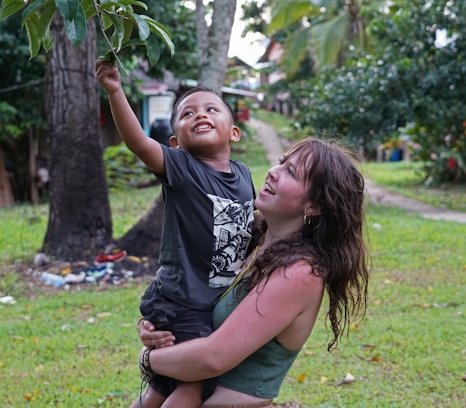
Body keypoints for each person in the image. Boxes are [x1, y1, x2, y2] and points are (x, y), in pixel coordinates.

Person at [137, 137, 370, 407]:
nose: (273, 171)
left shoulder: (300, 274)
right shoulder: (252, 242)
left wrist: (148, 359)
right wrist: (158, 328)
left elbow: (215, 356)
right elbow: (193, 296)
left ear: (314, 207)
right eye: (282, 163)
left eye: (291, 172)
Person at [95, 60, 255, 408]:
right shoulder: (182, 169)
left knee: (161, 390)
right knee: (192, 386)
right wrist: (115, 91)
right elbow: (138, 143)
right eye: (187, 114)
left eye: (212, 109)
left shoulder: (244, 175)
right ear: (175, 142)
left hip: (206, 302)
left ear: (234, 131)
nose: (200, 115)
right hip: (183, 301)